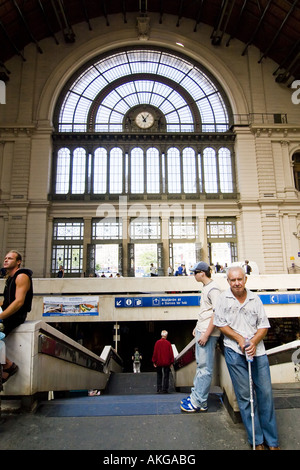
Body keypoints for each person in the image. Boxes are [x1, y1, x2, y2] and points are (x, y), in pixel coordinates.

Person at [213, 266, 280, 450]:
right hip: (234, 351)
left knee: (265, 394)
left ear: (245, 280)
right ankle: (256, 441)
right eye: (233, 280)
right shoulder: (223, 300)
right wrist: (241, 340)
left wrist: (253, 343)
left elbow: (264, 326)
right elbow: (220, 323)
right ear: (228, 281)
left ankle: (272, 442)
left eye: (239, 279)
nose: (236, 283)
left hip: (257, 352)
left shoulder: (255, 299)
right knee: (245, 397)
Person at [180, 261, 221, 412]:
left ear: (202, 273)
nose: (193, 275)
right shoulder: (206, 288)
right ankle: (196, 396)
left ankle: (199, 402)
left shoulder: (214, 289)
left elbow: (217, 314)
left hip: (207, 334)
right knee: (201, 366)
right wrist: (197, 328)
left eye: (194, 272)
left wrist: (205, 334)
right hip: (202, 331)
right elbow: (206, 312)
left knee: (204, 368)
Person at [0, 251, 33, 384]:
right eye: (5, 258)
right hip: (8, 313)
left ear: (18, 262)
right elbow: (7, 302)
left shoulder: (22, 276)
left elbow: (19, 302)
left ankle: (8, 365)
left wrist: (1, 316)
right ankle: (7, 368)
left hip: (15, 316)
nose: (6, 260)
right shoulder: (10, 278)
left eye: (10, 258)